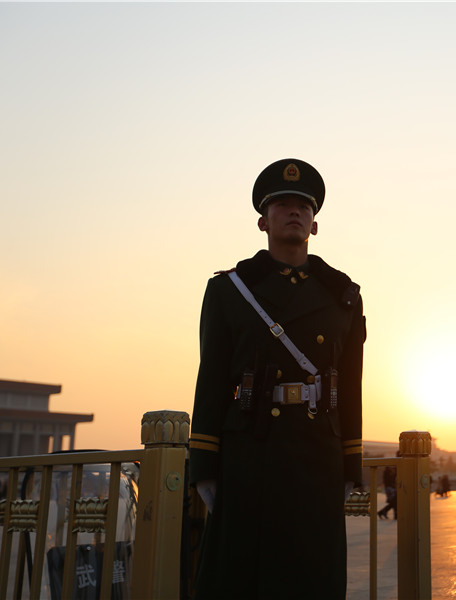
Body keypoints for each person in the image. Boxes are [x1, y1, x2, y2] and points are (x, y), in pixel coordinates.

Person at [188, 158, 366, 598]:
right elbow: (211, 381)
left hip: (316, 455)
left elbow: (350, 385)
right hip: (251, 451)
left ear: (315, 224)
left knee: (312, 575)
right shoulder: (230, 290)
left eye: (303, 206)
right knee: (244, 576)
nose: (294, 212)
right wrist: (205, 465)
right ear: (263, 222)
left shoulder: (342, 295)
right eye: (283, 205)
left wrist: (350, 461)